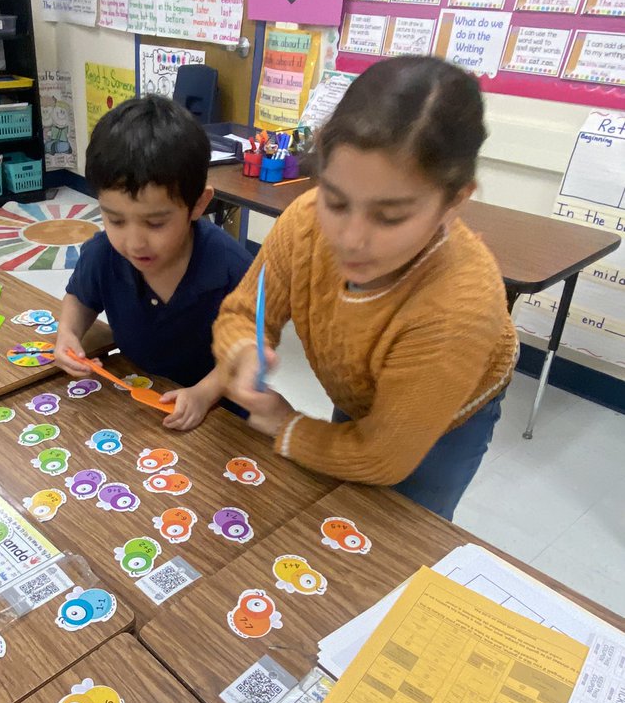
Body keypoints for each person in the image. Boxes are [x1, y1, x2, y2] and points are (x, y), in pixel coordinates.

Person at [214, 56, 517, 520]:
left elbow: (381, 456)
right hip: (358, 381)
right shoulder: (304, 221)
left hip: (447, 420)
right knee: (340, 504)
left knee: (403, 530)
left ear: (455, 201)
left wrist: (284, 424)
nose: (349, 239)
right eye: (336, 200)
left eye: (390, 216)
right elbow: (239, 315)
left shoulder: (459, 306)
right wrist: (241, 351)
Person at [56, 95, 251, 431]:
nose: (134, 243)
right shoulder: (103, 254)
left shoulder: (231, 267)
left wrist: (205, 393)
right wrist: (68, 333)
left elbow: (253, 351)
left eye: (156, 223)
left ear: (198, 204)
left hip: (222, 411)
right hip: (142, 398)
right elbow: (80, 298)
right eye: (115, 220)